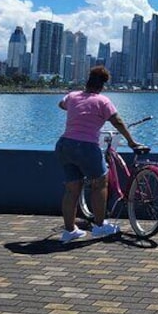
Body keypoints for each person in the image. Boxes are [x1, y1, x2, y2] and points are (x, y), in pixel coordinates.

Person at [54, 65, 144, 243]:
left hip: (65, 145)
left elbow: (61, 104)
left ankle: (69, 231)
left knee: (72, 189)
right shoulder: (103, 101)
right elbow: (117, 120)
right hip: (86, 146)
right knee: (100, 184)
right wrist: (131, 141)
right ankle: (100, 226)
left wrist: (78, 109)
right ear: (102, 85)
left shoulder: (72, 96)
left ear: (87, 81)